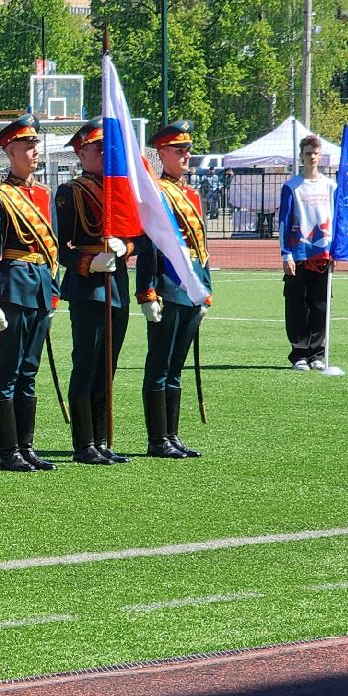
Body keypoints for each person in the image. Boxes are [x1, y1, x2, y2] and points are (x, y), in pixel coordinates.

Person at [0, 114, 60, 473]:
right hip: (12, 287)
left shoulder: (43, 195)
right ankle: (8, 451)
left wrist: (53, 292)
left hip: (39, 286)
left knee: (29, 370)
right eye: (27, 146)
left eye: (35, 145)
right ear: (10, 151)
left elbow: (52, 249)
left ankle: (27, 447)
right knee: (8, 371)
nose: (34, 151)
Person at [57, 119, 133, 466]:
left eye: (107, 148)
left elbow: (140, 238)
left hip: (117, 286)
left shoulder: (120, 190)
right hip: (89, 288)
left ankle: (102, 440)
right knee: (86, 365)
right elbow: (62, 250)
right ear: (81, 153)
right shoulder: (70, 192)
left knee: (108, 367)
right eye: (98, 148)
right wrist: (89, 263)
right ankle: (84, 443)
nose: (105, 154)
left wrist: (125, 247)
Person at [137, 120, 213, 458]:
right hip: (168, 285)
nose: (186, 155)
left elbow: (201, 245)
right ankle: (157, 439)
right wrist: (147, 292)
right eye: (179, 150)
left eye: (188, 149)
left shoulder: (191, 194)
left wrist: (205, 287)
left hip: (192, 285)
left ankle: (172, 434)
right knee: (160, 364)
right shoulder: (157, 192)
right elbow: (149, 246)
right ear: (162, 153)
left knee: (176, 365)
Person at [279, 133, 336, 371]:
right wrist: (286, 254)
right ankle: (299, 354)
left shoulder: (330, 186)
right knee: (296, 305)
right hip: (299, 254)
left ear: (320, 156)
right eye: (308, 153)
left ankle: (317, 354)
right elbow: (283, 222)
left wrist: (335, 250)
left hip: (323, 255)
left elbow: (337, 219)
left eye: (315, 153)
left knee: (320, 305)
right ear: (301, 156)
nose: (312, 157)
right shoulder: (291, 187)